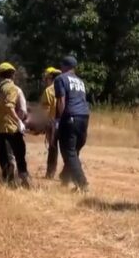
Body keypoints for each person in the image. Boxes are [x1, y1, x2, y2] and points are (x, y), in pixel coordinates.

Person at [0, 62, 30, 188]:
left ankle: (8, 180)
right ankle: (23, 176)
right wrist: (19, 121)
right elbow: (13, 107)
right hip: (10, 127)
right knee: (19, 152)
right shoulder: (13, 88)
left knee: (2, 154)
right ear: (13, 75)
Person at [54, 56, 90, 192]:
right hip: (84, 117)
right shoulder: (80, 81)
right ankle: (65, 178)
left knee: (68, 152)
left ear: (64, 66)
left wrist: (59, 119)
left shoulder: (60, 79)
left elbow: (61, 101)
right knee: (74, 151)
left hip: (70, 116)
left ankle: (82, 184)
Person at [40, 67, 62, 179]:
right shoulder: (65, 88)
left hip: (52, 123)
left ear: (49, 78)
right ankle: (68, 173)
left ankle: (50, 173)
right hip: (65, 122)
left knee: (52, 149)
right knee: (67, 149)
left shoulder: (48, 91)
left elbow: (45, 111)